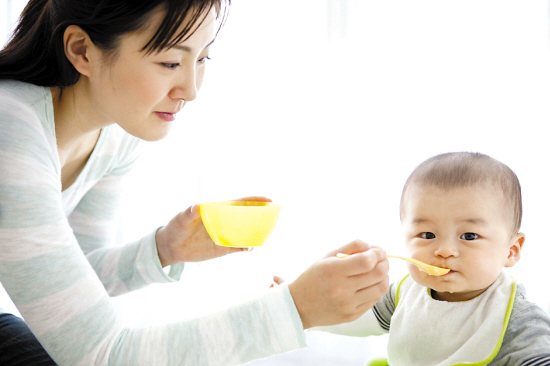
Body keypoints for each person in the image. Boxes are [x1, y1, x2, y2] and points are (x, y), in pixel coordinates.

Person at [0, 0, 390, 365]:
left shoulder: (116, 135)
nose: (191, 89)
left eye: (202, 57)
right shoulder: (11, 131)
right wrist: (297, 308)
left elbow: (76, 283)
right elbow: (102, 353)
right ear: (82, 50)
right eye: (170, 62)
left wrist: (163, 249)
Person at [314, 152, 550, 365]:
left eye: (469, 236)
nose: (445, 250)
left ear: (511, 250)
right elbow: (350, 314)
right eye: (427, 235)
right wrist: (304, 304)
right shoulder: (406, 291)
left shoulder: (518, 318)